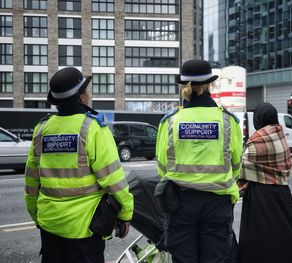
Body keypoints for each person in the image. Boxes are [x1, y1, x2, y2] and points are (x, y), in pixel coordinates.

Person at [24, 67, 134, 263]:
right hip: (84, 230)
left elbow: (31, 182)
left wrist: (37, 216)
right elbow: (113, 179)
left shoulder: (41, 129)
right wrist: (125, 213)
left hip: (50, 225)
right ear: (82, 97)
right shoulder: (92, 128)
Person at [156, 59, 242, 263]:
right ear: (209, 85)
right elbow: (237, 165)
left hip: (180, 202)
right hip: (217, 203)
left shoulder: (170, 121)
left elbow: (161, 167)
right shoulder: (228, 121)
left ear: (184, 86)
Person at [238, 102, 292, 263]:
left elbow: (241, 170)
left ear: (258, 120)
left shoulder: (255, 144)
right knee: (284, 234)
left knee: (258, 238)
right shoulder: (281, 138)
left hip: (259, 196)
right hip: (281, 194)